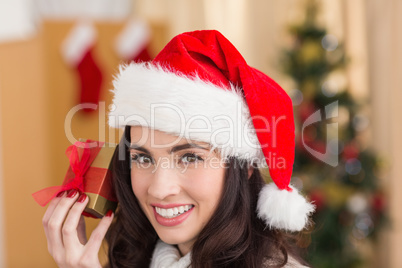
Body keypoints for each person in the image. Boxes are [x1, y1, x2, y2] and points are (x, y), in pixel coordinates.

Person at [42, 30, 315, 267]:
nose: (159, 190)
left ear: (244, 166)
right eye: (142, 158)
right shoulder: (141, 256)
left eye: (189, 157)